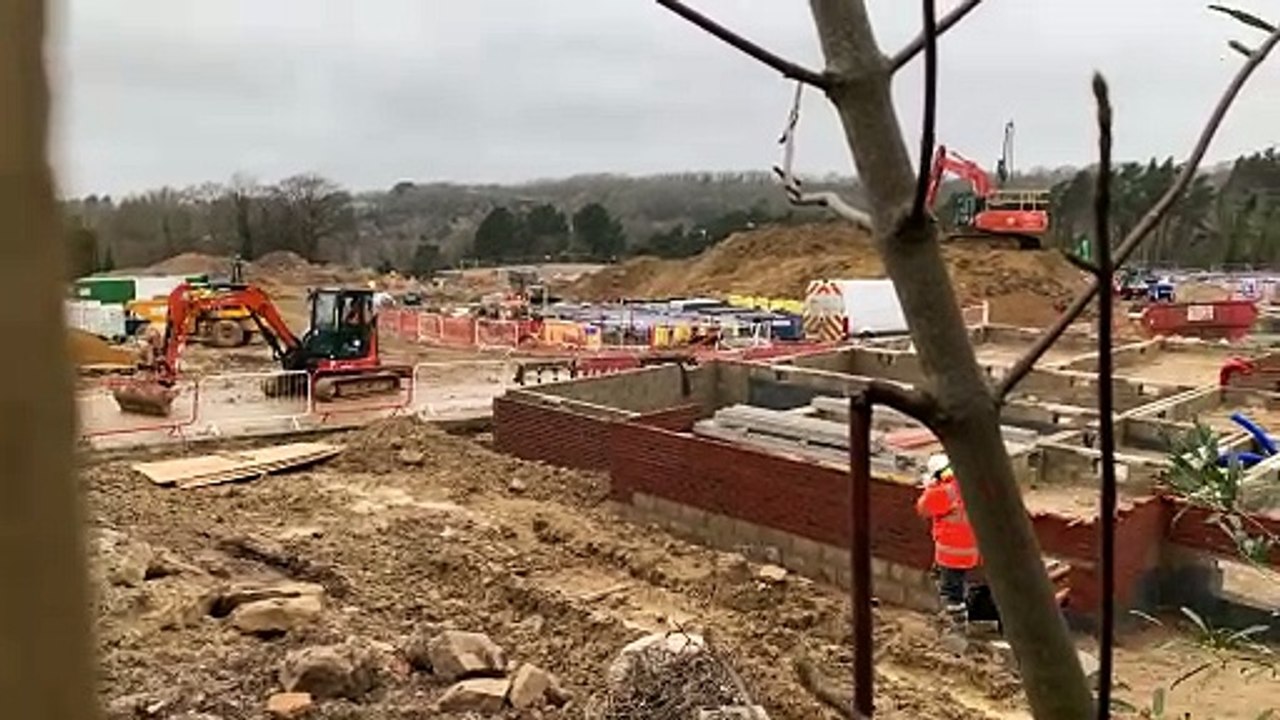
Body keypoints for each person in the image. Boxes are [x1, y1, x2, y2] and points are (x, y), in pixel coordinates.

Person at [915, 453, 980, 630]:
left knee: (951, 592)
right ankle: (954, 617)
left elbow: (923, 509)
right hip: (969, 550)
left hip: (951, 553)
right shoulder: (963, 484)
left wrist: (929, 488)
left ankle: (958, 629)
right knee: (952, 582)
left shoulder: (943, 491)